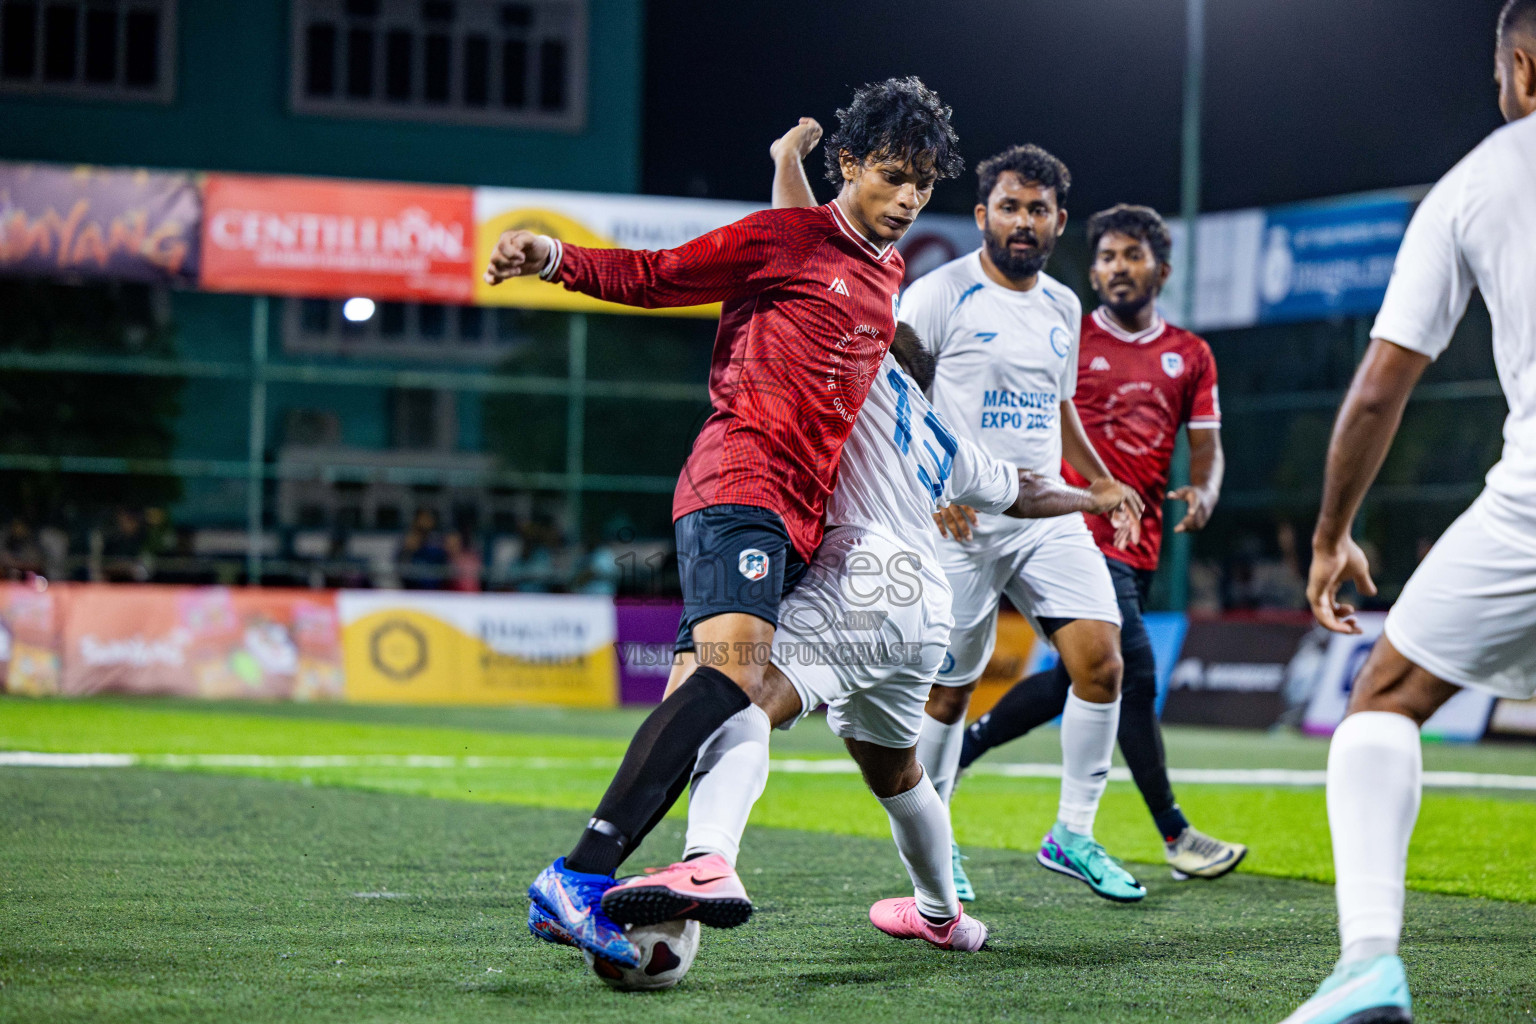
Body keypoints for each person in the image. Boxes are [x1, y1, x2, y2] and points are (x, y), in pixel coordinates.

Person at [489, 77, 964, 968]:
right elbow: (658, 274)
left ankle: (639, 907)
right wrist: (554, 257)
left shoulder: (883, 266)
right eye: (893, 176)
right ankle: (578, 873)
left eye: (925, 186)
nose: (908, 200)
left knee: (703, 707)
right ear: (852, 165)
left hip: (797, 522)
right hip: (739, 478)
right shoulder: (788, 238)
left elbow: (818, 250)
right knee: (736, 678)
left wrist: (785, 162)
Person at [1285, 4, 1536, 1021]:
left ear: (1521, 67)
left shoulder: (1479, 180)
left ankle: (1368, 967)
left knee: (1383, 696)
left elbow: (1380, 388)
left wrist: (1330, 534)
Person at [956, 204, 1247, 883]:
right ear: (1092, 271)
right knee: (1134, 671)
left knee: (1078, 680)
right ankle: (1174, 834)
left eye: (1132, 256)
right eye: (1108, 257)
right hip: (1074, 529)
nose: (1118, 268)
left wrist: (1203, 492)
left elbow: (1207, 447)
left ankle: (964, 749)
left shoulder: (1192, 355)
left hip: (1140, 541)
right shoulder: (1067, 335)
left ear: (1161, 270)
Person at [896, 144, 1148, 903]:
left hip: (1044, 514)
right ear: (982, 216)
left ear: (1059, 221)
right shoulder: (939, 293)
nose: (1023, 221)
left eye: (1038, 209)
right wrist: (931, 486)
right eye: (1009, 206)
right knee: (950, 692)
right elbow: (898, 403)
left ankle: (1073, 832)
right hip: (962, 519)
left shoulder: (1066, 307)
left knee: (1103, 662)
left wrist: (1099, 478)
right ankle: (938, 845)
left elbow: (1058, 407)